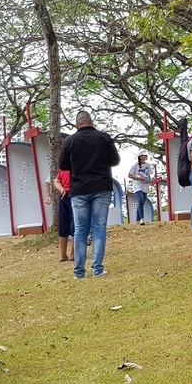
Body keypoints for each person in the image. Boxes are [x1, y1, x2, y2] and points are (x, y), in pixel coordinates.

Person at [59, 110, 120, 279]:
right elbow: (115, 160)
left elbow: (63, 165)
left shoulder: (70, 141)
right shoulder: (104, 138)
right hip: (102, 186)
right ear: (91, 122)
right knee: (99, 228)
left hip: (78, 190)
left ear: (77, 124)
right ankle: (97, 269)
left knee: (80, 229)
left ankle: (79, 271)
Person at [53, 169, 75, 262]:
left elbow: (57, 181)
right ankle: (67, 254)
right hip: (70, 194)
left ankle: (67, 254)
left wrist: (61, 188)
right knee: (73, 224)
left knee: (66, 223)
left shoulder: (64, 168)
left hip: (66, 194)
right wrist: (61, 188)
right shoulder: (66, 167)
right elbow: (57, 180)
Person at [128, 150, 153, 225]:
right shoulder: (135, 165)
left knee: (142, 202)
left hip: (145, 185)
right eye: (144, 155)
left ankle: (137, 220)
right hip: (137, 185)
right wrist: (138, 177)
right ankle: (142, 218)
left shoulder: (147, 165)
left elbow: (148, 174)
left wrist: (149, 180)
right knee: (140, 200)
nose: (146, 157)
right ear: (141, 157)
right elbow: (129, 175)